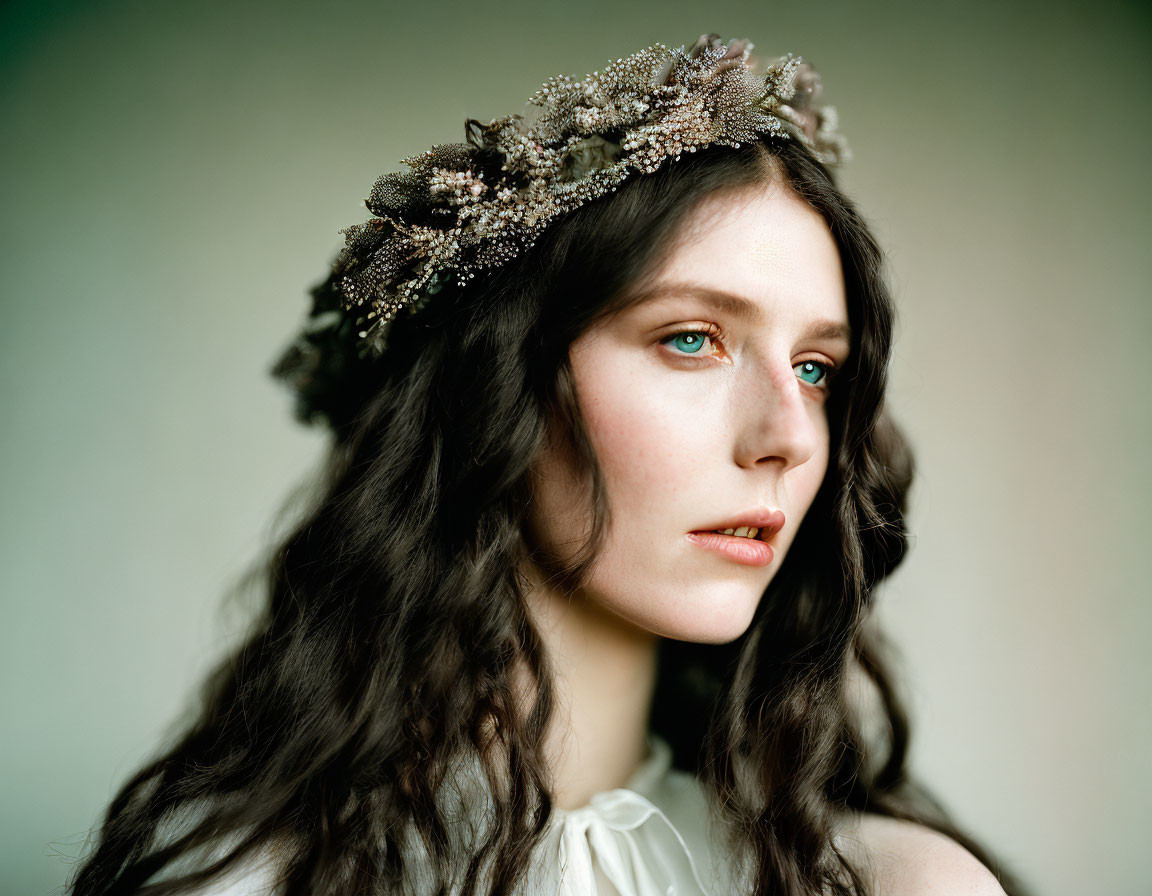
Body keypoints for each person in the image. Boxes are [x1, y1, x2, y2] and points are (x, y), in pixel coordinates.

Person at [68, 33, 1032, 896]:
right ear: (500, 392)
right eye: (693, 339)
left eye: (818, 369)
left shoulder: (891, 887)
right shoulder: (242, 883)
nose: (787, 435)